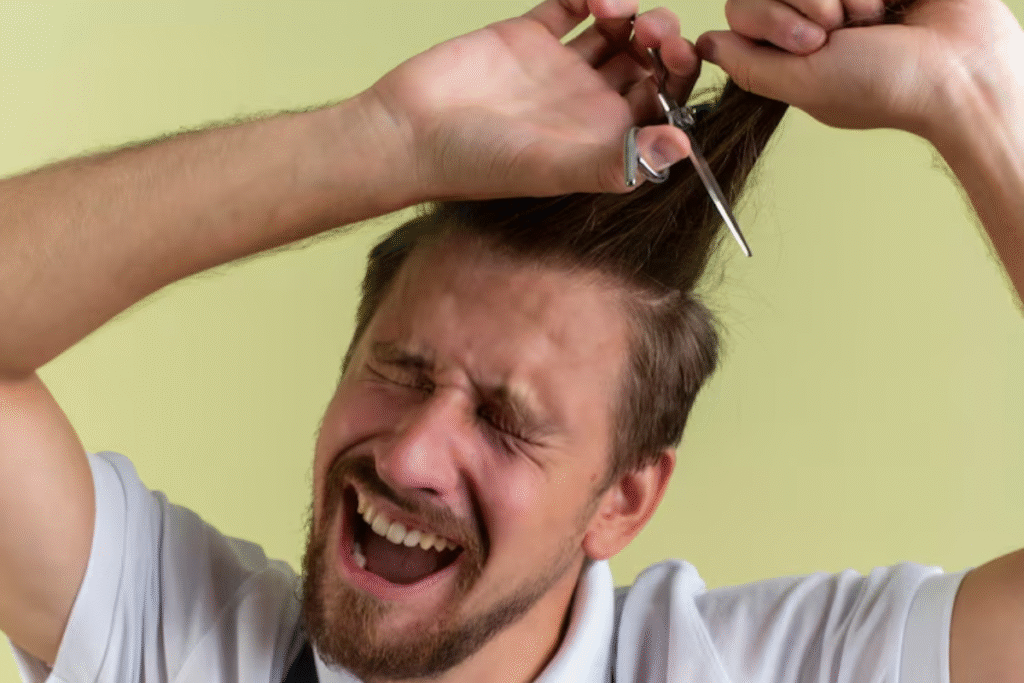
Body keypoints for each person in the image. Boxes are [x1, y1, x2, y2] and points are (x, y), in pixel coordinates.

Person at [0, 0, 1021, 681]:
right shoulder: (177, 639)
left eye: (506, 421)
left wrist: (974, 92)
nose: (407, 453)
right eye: (398, 373)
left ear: (622, 498)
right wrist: (380, 141)